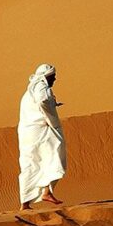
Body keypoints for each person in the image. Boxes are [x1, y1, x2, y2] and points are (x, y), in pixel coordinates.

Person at [17, 64, 66, 207]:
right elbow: (43, 101)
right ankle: (46, 192)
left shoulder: (29, 91)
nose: (55, 78)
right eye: (52, 76)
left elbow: (41, 103)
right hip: (41, 131)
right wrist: (52, 120)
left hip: (27, 133)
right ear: (46, 77)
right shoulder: (41, 87)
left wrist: (53, 104)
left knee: (30, 164)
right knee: (56, 154)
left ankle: (24, 204)